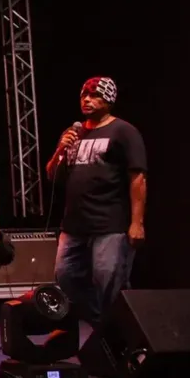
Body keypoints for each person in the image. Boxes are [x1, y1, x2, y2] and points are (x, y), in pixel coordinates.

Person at [45, 76, 146, 324]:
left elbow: (138, 178)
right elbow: (52, 175)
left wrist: (137, 223)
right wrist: (60, 149)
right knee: (65, 276)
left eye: (94, 95)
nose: (87, 100)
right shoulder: (74, 133)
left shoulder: (123, 131)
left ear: (109, 100)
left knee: (108, 281)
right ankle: (100, 324)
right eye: (84, 95)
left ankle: (119, 331)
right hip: (74, 226)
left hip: (110, 225)